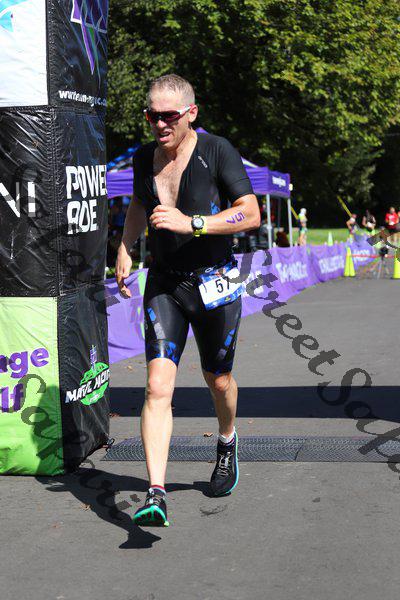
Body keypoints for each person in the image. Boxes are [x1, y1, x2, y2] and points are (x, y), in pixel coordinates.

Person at [115, 74, 260, 527]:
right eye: (151, 115)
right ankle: (156, 492)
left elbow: (250, 213)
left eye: (169, 115)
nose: (160, 124)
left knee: (219, 379)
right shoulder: (143, 157)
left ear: (191, 113)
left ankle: (227, 440)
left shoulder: (217, 151)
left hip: (215, 282)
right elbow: (139, 204)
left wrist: (192, 223)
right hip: (165, 284)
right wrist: (125, 246)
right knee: (157, 386)